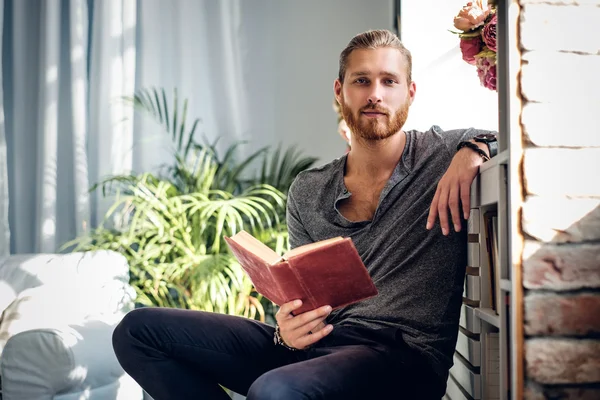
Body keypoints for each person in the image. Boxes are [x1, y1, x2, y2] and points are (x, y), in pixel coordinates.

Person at [112, 29, 497, 399]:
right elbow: (303, 298)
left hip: (401, 356)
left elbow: (513, 132)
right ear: (340, 91)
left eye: (389, 81)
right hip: (319, 347)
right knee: (137, 331)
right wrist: (288, 327)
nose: (375, 94)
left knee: (274, 391)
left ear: (409, 93)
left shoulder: (441, 152)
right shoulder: (308, 188)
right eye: (361, 81)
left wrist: (475, 150)